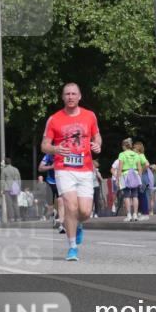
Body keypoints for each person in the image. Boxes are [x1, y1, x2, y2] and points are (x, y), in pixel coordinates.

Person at [41, 82, 102, 261]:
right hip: (63, 169)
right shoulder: (54, 119)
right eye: (67, 94)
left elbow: (97, 136)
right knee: (70, 206)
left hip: (85, 169)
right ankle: (72, 247)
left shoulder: (89, 116)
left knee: (85, 212)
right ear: (62, 97)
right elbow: (44, 145)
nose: (70, 97)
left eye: (73, 94)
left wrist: (97, 144)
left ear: (79, 96)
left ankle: (79, 225)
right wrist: (55, 149)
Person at [114, 139, 147, 222]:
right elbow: (139, 167)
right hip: (135, 174)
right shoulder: (136, 154)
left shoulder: (122, 154)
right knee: (135, 195)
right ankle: (135, 214)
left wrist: (117, 179)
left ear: (124, 146)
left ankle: (129, 215)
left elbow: (120, 168)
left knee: (127, 196)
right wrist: (139, 178)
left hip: (125, 175)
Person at [39, 152, 64, 232]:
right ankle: (53, 214)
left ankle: (61, 224)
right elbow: (40, 168)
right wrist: (51, 166)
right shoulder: (48, 156)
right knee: (51, 206)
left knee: (61, 202)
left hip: (61, 182)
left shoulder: (64, 154)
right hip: (50, 182)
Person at [0, 157, 22, 224]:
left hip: (7, 188)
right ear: (10, 162)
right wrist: (19, 188)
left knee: (9, 204)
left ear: (5, 163)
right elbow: (19, 179)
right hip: (15, 187)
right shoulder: (16, 169)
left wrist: (2, 189)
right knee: (15, 203)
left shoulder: (4, 170)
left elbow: (2, 181)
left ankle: (11, 218)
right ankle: (18, 217)